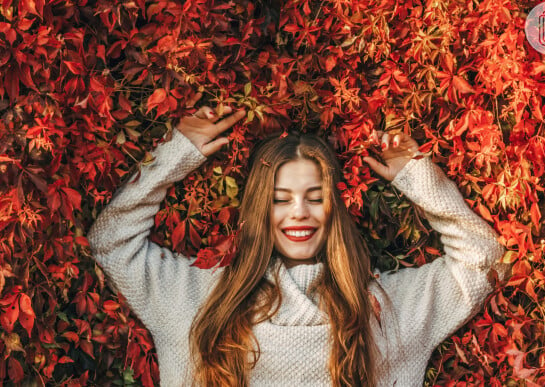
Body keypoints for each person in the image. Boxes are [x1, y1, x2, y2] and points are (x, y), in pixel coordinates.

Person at [87, 96, 507, 387]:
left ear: (335, 209)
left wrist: (416, 177)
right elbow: (109, 242)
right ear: (256, 210)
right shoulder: (195, 298)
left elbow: (483, 260)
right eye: (280, 199)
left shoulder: (387, 308)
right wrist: (174, 155)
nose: (299, 212)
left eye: (315, 196)